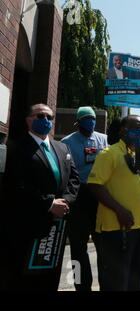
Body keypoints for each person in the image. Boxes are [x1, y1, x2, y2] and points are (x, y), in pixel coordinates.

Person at [1, 103, 80, 290]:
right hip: (28, 227)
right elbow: (17, 184)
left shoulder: (63, 149)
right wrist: (49, 204)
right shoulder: (16, 147)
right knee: (25, 280)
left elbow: (75, 179)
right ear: (28, 120)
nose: (46, 120)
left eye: (50, 117)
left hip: (57, 228)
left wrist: (65, 202)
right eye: (40, 116)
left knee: (50, 278)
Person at [87, 115, 140, 291]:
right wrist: (119, 210)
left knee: (135, 281)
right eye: (136, 128)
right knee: (116, 283)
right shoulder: (109, 154)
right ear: (123, 130)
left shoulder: (139, 156)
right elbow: (94, 185)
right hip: (115, 230)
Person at [61, 106, 108, 291]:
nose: (91, 121)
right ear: (78, 121)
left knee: (104, 247)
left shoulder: (104, 140)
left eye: (93, 118)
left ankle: (106, 284)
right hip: (79, 196)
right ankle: (82, 286)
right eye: (87, 118)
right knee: (78, 248)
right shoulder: (67, 142)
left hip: (101, 197)